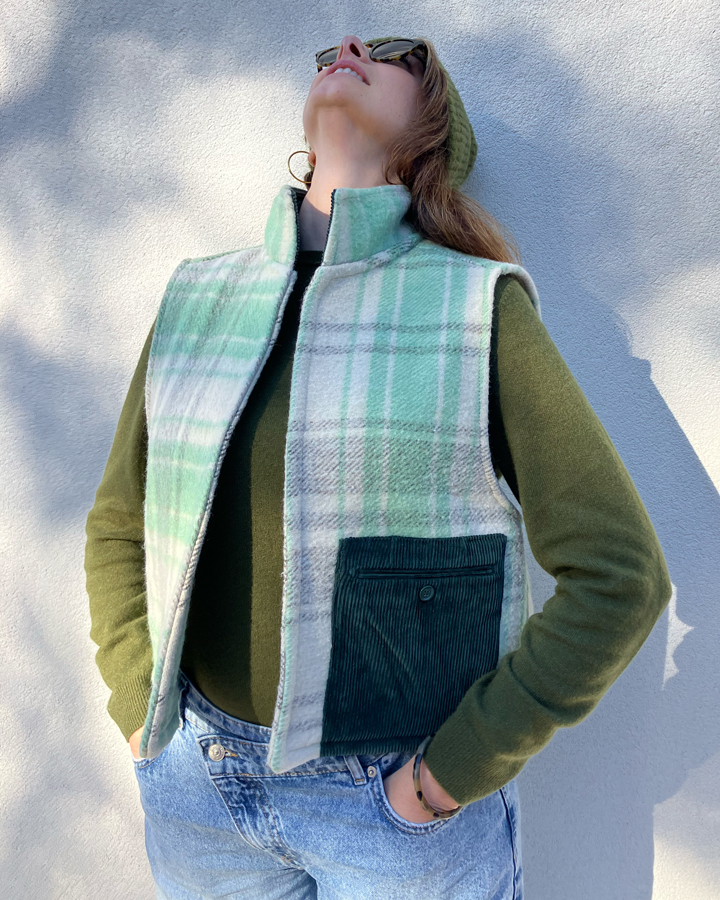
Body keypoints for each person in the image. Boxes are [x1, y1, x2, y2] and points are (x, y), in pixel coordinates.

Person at [85, 34, 672, 900]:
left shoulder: (477, 308)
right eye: (334, 48)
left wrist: (444, 777)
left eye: (395, 55)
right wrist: (139, 703)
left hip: (394, 814)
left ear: (432, 129)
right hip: (195, 789)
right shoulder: (196, 296)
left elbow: (621, 576)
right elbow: (120, 522)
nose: (352, 47)